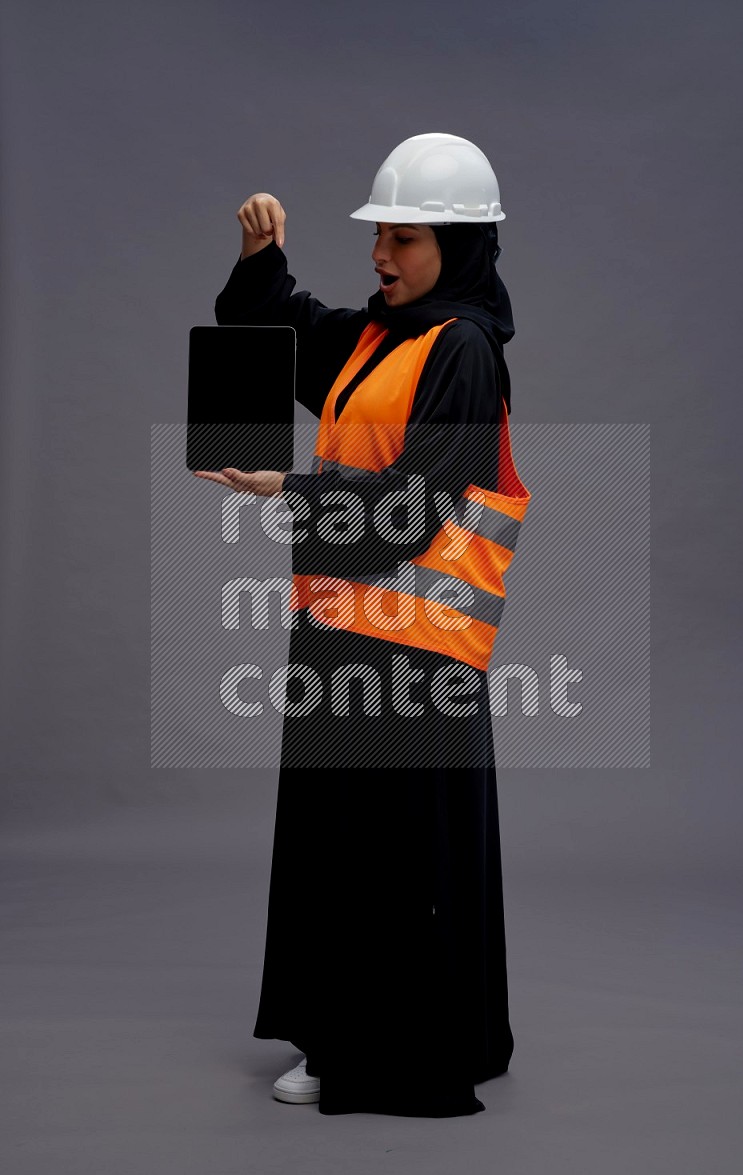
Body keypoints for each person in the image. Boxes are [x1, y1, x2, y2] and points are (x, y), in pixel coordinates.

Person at [199, 133, 530, 1117]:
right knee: (340, 848)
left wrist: (283, 488)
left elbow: (414, 508)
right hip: (343, 635)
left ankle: (381, 1052)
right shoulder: (382, 334)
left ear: (459, 247)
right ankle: (370, 1028)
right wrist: (262, 259)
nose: (382, 256)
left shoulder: (460, 349)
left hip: (415, 654)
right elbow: (279, 329)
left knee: (393, 858)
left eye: (403, 238)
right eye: (378, 236)